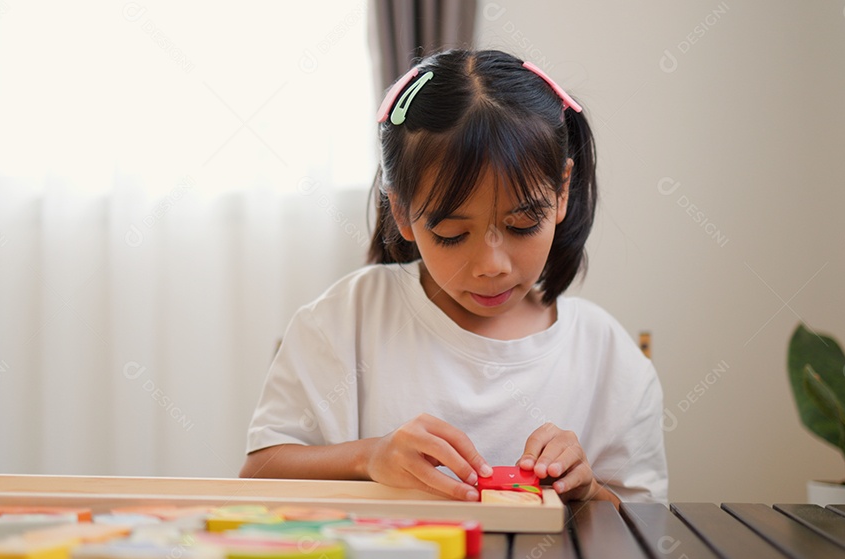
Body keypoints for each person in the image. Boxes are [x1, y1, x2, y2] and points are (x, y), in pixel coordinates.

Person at [240, 49, 666, 505]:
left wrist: (589, 493)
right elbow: (258, 475)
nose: (491, 265)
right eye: (452, 233)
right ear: (401, 212)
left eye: (522, 226)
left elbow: (645, 530)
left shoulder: (606, 357)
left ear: (561, 192)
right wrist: (369, 457)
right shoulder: (347, 320)